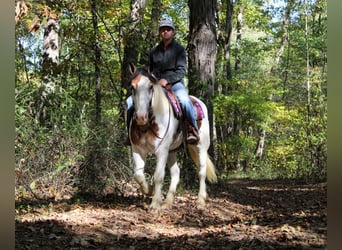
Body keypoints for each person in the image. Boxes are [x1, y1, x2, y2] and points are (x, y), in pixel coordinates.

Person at [126, 19, 199, 144]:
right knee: (129, 102)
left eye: (168, 29)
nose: (165, 31)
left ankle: (192, 130)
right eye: (163, 29)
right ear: (160, 32)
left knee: (185, 101)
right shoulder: (154, 52)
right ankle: (130, 134)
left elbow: (182, 70)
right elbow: (150, 70)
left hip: (175, 84)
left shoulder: (179, 50)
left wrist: (168, 80)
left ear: (173, 32)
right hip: (155, 84)